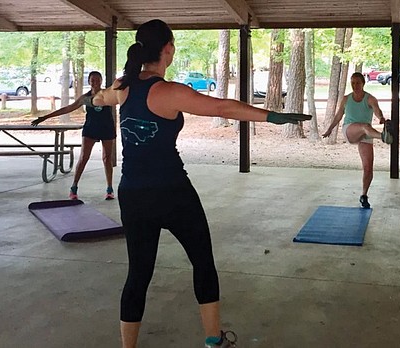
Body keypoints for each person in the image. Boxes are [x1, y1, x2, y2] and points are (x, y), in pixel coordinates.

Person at [87, 19, 310, 348]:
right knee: (202, 262)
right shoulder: (168, 91)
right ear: (167, 49)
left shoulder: (124, 87)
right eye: (172, 45)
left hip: (133, 194)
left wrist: (95, 100)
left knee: (138, 274)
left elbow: (100, 99)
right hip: (172, 192)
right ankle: (212, 340)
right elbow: (221, 107)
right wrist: (270, 116)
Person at [31, 71, 116, 200]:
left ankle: (109, 189)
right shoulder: (85, 98)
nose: (95, 82)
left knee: (107, 158)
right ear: (89, 82)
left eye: (97, 79)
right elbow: (67, 108)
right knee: (83, 158)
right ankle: (74, 187)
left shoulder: (106, 95)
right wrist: (45, 117)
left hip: (107, 128)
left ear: (101, 80)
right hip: (90, 128)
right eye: (92, 80)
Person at [322, 72, 393, 209]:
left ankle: (364, 195)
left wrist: (382, 118)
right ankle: (383, 137)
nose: (355, 86)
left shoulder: (370, 99)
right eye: (352, 83)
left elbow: (378, 111)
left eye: (357, 83)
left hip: (366, 134)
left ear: (363, 83)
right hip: (350, 130)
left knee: (368, 168)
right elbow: (338, 116)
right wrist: (330, 129)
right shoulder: (346, 99)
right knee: (365, 126)